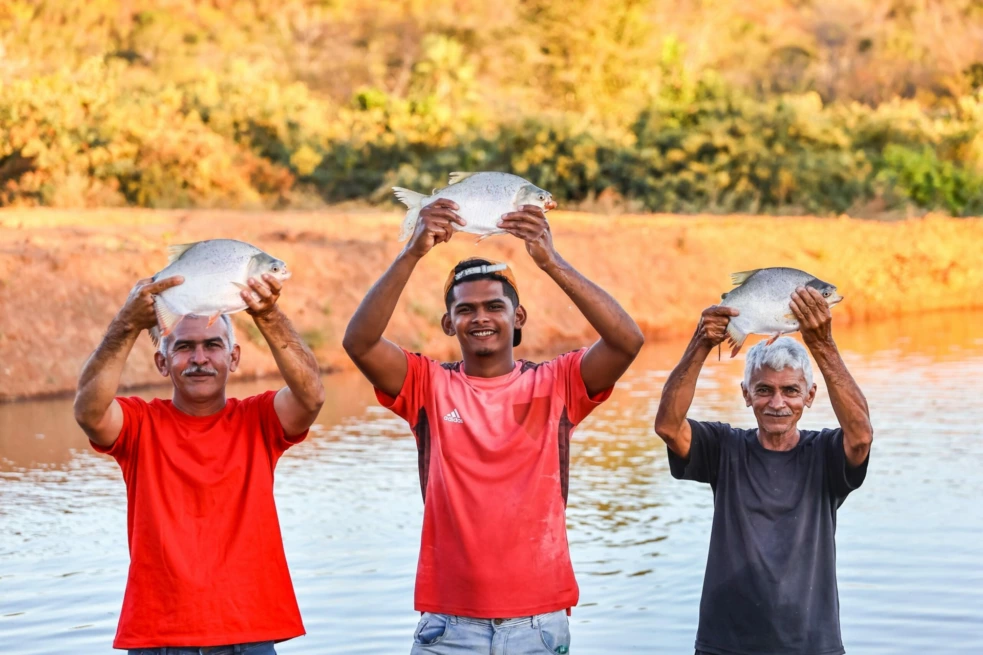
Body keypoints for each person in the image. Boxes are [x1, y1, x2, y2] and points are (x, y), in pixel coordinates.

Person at [343, 200, 644, 654]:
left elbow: (626, 341)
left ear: (517, 317)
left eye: (494, 306)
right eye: (466, 310)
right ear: (449, 323)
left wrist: (550, 261)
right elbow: (359, 343)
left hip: (538, 623)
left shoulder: (557, 383)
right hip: (449, 626)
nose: (480, 317)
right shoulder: (428, 386)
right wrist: (412, 252)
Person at [73, 272, 324, 654]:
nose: (200, 358)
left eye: (213, 345)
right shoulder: (139, 424)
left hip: (250, 630)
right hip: (160, 635)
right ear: (163, 362)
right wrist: (126, 324)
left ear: (233, 357)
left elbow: (310, 398)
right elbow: (90, 413)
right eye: (184, 347)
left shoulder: (259, 419)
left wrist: (268, 315)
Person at [654, 289, 873, 655]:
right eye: (764, 390)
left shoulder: (825, 453)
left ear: (809, 395)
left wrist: (823, 345)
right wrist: (700, 344)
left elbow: (861, 436)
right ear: (745, 394)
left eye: (790, 390)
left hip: (811, 645)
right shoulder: (724, 447)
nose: (777, 403)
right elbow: (668, 426)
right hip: (726, 645)